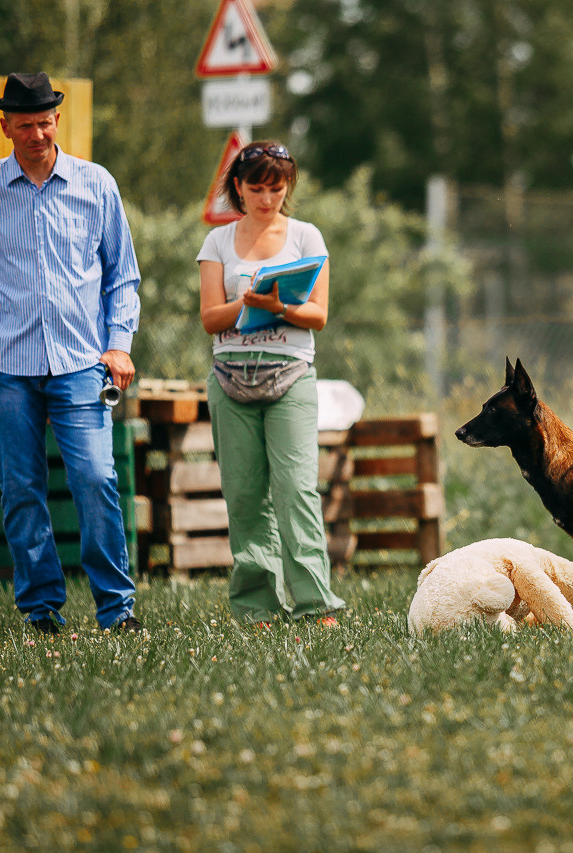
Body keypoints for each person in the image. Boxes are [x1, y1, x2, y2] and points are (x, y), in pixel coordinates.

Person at [0, 72, 143, 635]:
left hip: (80, 363)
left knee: (96, 478)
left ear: (57, 120)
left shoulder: (96, 185)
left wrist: (118, 343)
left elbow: (123, 275)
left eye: (43, 121)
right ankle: (41, 609)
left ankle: (116, 609)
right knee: (21, 487)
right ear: (5, 126)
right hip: (6, 364)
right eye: (23, 124)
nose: (35, 133)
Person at [197, 140, 345, 626]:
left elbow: (318, 315)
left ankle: (315, 603)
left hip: (292, 374)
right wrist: (247, 301)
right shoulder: (218, 242)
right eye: (256, 187)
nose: (266, 197)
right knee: (243, 493)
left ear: (288, 187)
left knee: (297, 489)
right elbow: (209, 318)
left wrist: (279, 307)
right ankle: (256, 606)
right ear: (237, 187)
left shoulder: (306, 237)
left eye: (276, 187)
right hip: (230, 376)